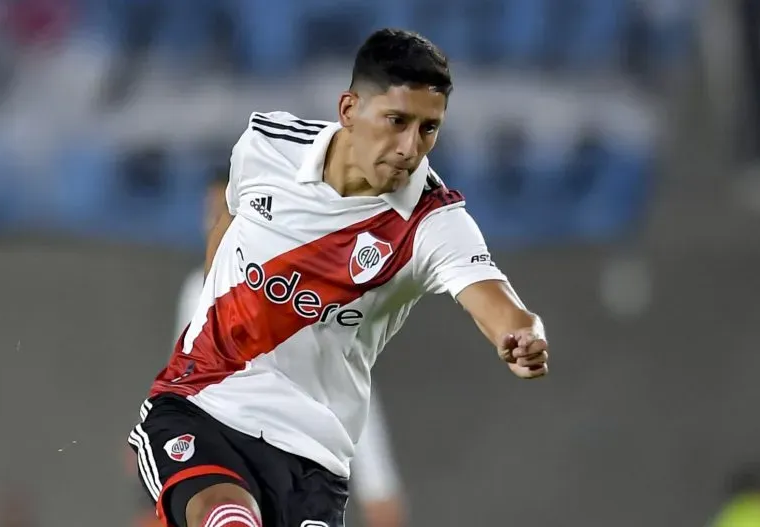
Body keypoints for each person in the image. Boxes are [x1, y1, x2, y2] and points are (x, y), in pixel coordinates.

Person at [127, 28, 549, 527]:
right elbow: (228, 220)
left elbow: (497, 303)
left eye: (428, 129)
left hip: (311, 462)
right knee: (229, 519)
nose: (410, 147)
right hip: (206, 406)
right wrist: (208, 318)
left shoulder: (432, 221)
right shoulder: (265, 145)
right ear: (349, 109)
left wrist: (523, 334)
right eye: (397, 121)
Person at [173, 173, 407, 527]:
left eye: (228, 211)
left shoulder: (304, 290)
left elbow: (345, 386)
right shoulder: (198, 290)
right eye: (212, 212)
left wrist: (377, 482)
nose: (217, 223)